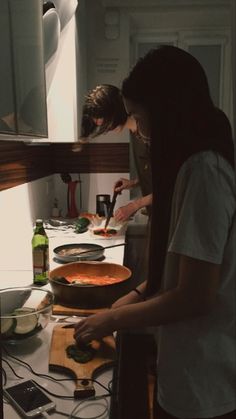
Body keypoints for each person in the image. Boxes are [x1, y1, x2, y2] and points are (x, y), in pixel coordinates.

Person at [74, 45, 236, 419]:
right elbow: (174, 274)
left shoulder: (205, 171)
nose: (141, 132)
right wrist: (124, 301)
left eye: (138, 116)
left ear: (167, 111)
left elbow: (195, 296)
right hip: (187, 370)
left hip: (205, 383)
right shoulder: (192, 168)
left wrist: (112, 320)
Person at [79, 84, 152, 221]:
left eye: (101, 118)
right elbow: (155, 174)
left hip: (173, 216)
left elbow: (169, 185)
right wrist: (134, 183)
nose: (100, 124)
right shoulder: (135, 131)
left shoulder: (148, 131)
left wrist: (134, 205)